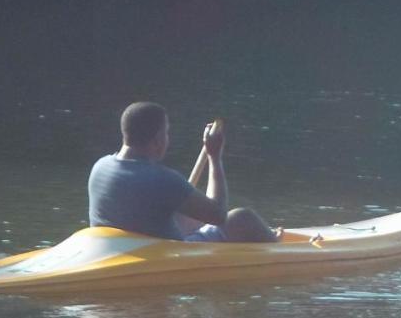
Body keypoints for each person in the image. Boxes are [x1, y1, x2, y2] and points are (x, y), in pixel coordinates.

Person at [88, 101, 278, 242]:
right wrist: (214, 157)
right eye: (166, 132)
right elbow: (218, 215)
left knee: (185, 213)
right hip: (164, 253)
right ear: (157, 140)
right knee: (242, 218)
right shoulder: (162, 179)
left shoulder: (100, 166)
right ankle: (278, 245)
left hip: (118, 247)